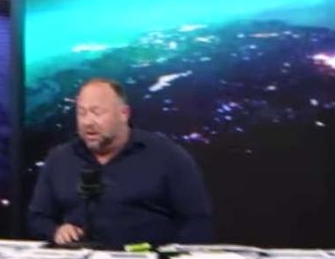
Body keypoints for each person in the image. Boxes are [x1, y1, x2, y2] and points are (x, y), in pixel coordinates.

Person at [27, 78, 213, 247]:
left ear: (124, 113)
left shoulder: (167, 155)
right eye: (81, 113)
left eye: (97, 112)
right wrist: (55, 231)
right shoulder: (60, 158)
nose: (87, 122)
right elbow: (38, 217)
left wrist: (168, 257)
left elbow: (197, 221)